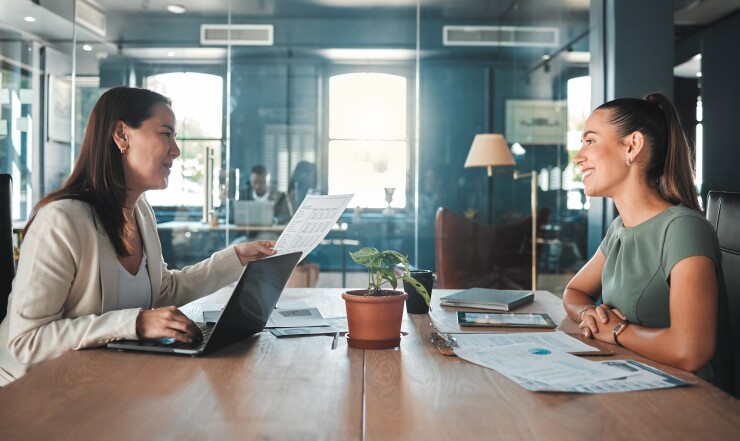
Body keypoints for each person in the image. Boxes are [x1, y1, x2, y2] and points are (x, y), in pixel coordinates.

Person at [0, 86, 276, 386]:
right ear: (122, 135)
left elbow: (163, 291)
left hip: (102, 381)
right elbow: (26, 340)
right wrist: (136, 323)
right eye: (165, 134)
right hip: (34, 392)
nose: (176, 150)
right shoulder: (61, 221)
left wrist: (235, 259)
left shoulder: (140, 212)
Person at [562, 92, 732, 392]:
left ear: (632, 146)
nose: (579, 157)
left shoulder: (684, 228)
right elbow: (574, 291)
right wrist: (589, 314)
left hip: (692, 400)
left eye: (590, 141)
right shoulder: (619, 228)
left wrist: (616, 331)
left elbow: (691, 350)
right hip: (632, 377)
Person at [274, 160, 318, 225]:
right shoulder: (289, 197)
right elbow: (279, 218)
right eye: (308, 174)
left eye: (312, 175)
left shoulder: (315, 195)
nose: (311, 178)